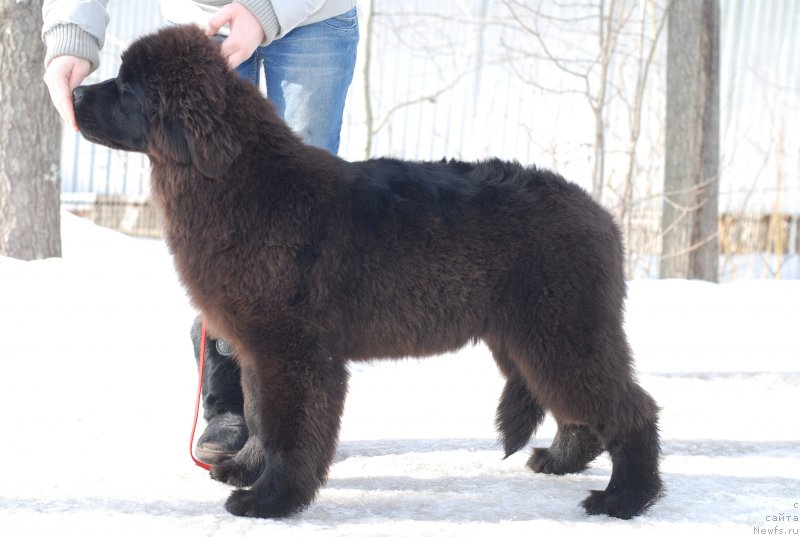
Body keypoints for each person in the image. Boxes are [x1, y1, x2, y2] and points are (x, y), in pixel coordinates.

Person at [42, 0, 359, 464]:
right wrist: (71, 32)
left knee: (301, 222)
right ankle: (228, 402)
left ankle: (292, 414)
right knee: (213, 225)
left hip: (313, 18)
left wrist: (269, 10)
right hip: (201, 20)